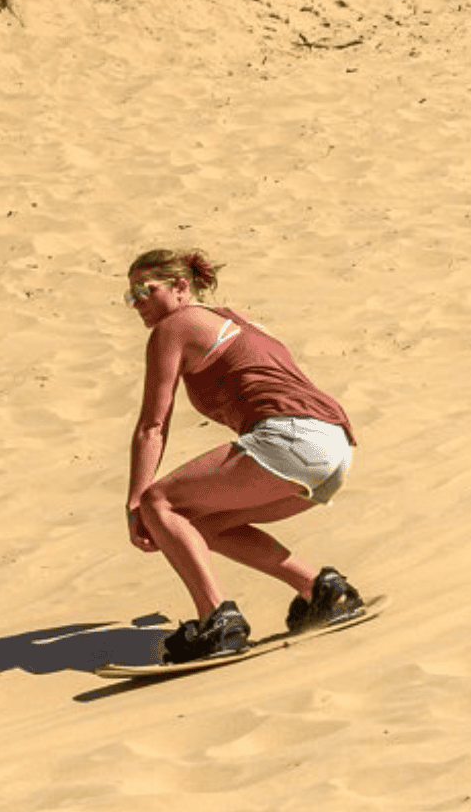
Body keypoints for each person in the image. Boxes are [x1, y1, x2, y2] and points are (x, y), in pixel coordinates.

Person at [124, 247, 363, 663]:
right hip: (334, 447)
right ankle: (322, 589)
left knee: (158, 502)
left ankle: (217, 619)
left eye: (145, 290)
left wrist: (135, 502)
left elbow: (152, 426)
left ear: (181, 286)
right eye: (129, 297)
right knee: (201, 525)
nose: (137, 303)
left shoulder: (175, 326)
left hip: (291, 438)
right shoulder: (237, 319)